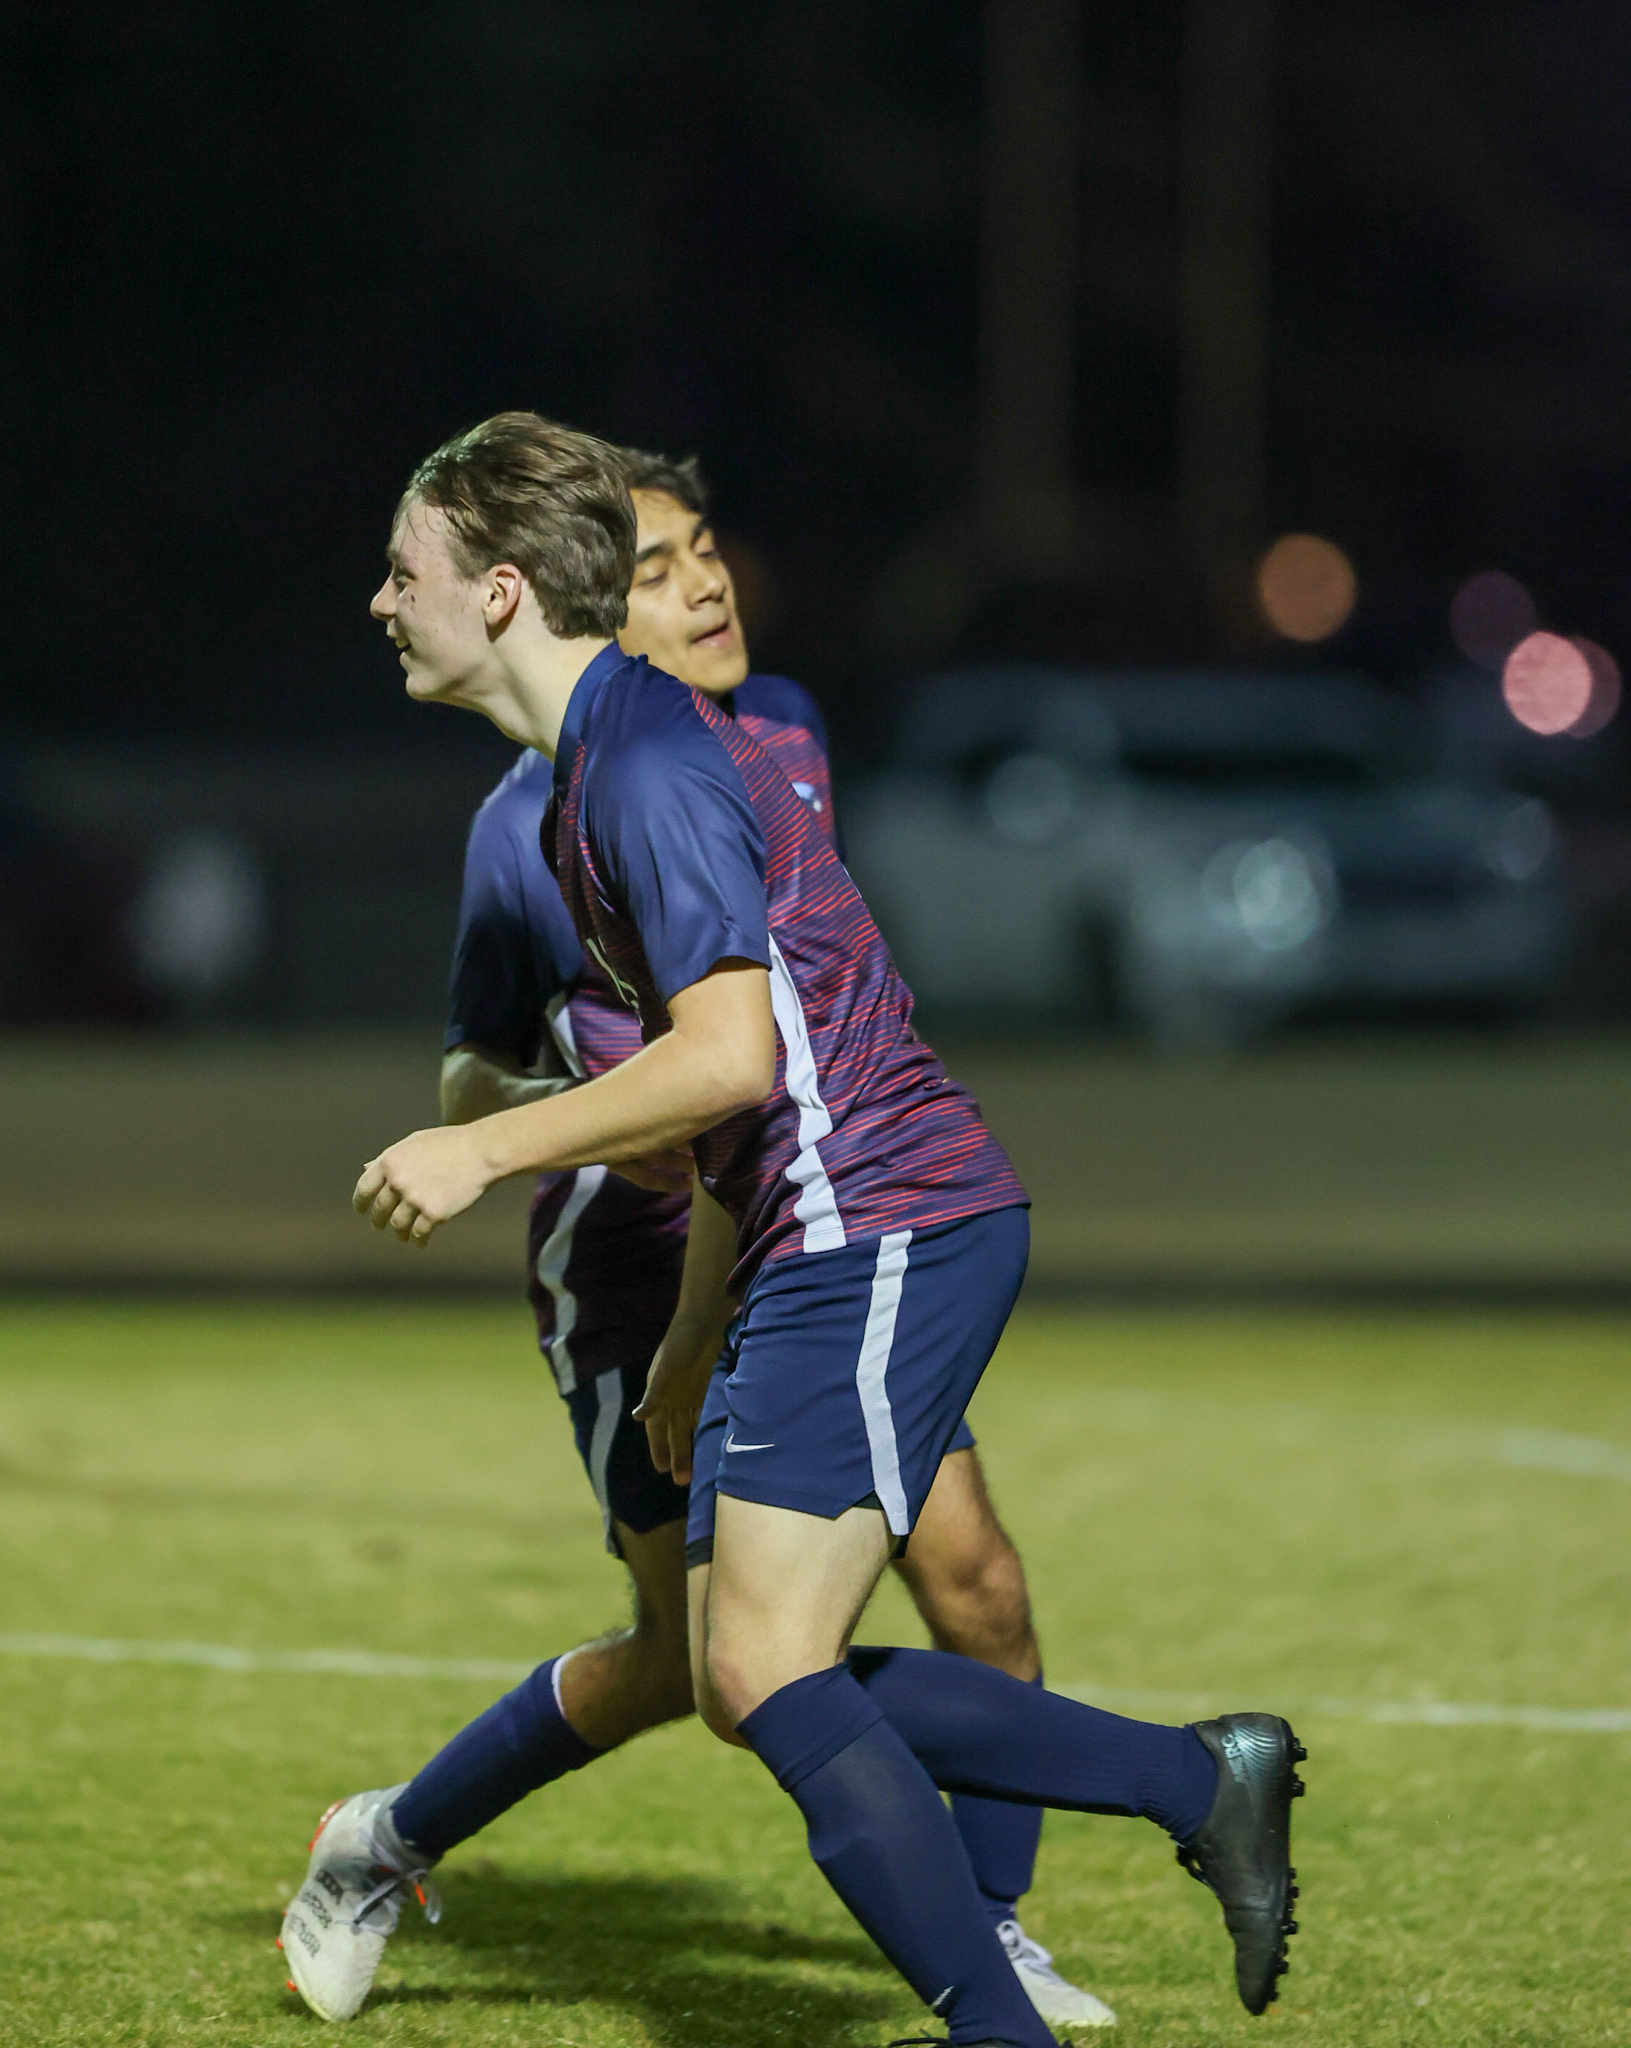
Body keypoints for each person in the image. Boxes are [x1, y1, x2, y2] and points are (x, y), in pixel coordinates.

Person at [290, 414, 1306, 2048]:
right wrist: (686, 1324)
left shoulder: (644, 763)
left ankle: (1073, 1921)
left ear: (494, 595)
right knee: (752, 1664)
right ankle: (1191, 1782)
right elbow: (731, 1121)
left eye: (399, 574)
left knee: (770, 1659)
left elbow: (737, 1064)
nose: (377, 602)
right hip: (828, 1228)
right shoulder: (576, 794)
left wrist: (485, 1153)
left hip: (879, 1220)